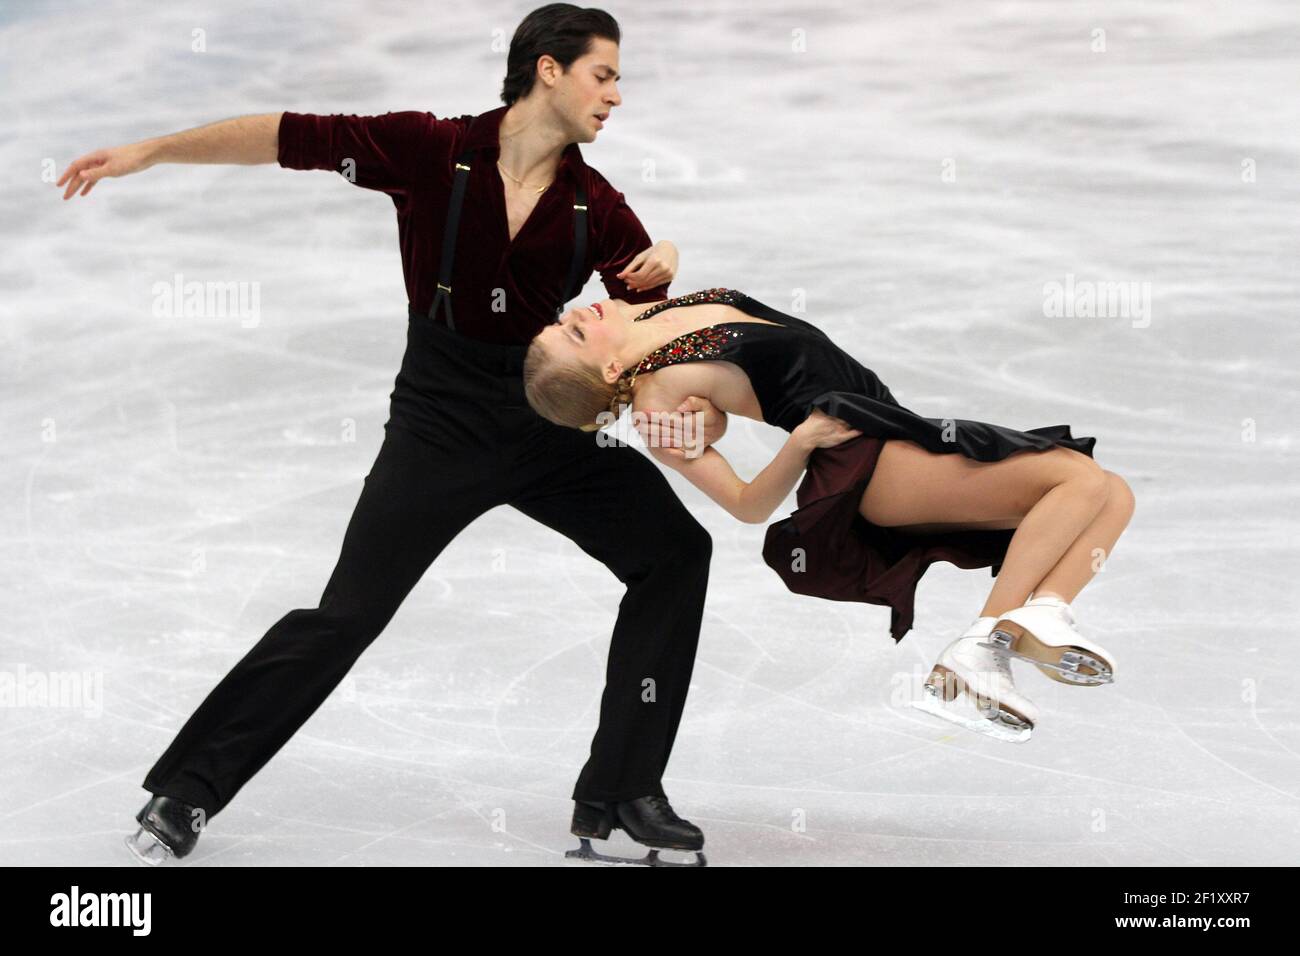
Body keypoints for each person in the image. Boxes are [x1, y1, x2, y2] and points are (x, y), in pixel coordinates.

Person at [59, 5, 722, 866]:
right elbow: (286, 136)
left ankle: (623, 789)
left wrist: (666, 264)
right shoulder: (429, 149)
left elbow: (646, 335)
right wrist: (151, 150)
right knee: (347, 615)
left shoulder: (598, 206)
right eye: (605, 74)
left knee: (676, 553)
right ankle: (185, 792)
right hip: (438, 423)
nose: (617, 96)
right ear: (548, 71)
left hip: (544, 426)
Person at [524, 287, 1136, 744]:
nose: (575, 314)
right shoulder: (660, 405)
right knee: (1074, 478)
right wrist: (799, 443)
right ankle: (986, 640)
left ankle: (1031, 623)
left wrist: (665, 252)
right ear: (608, 372)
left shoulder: (648, 311)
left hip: (894, 426)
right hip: (866, 460)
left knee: (1113, 493)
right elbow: (747, 504)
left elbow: (699, 350)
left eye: (562, 321)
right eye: (573, 335)